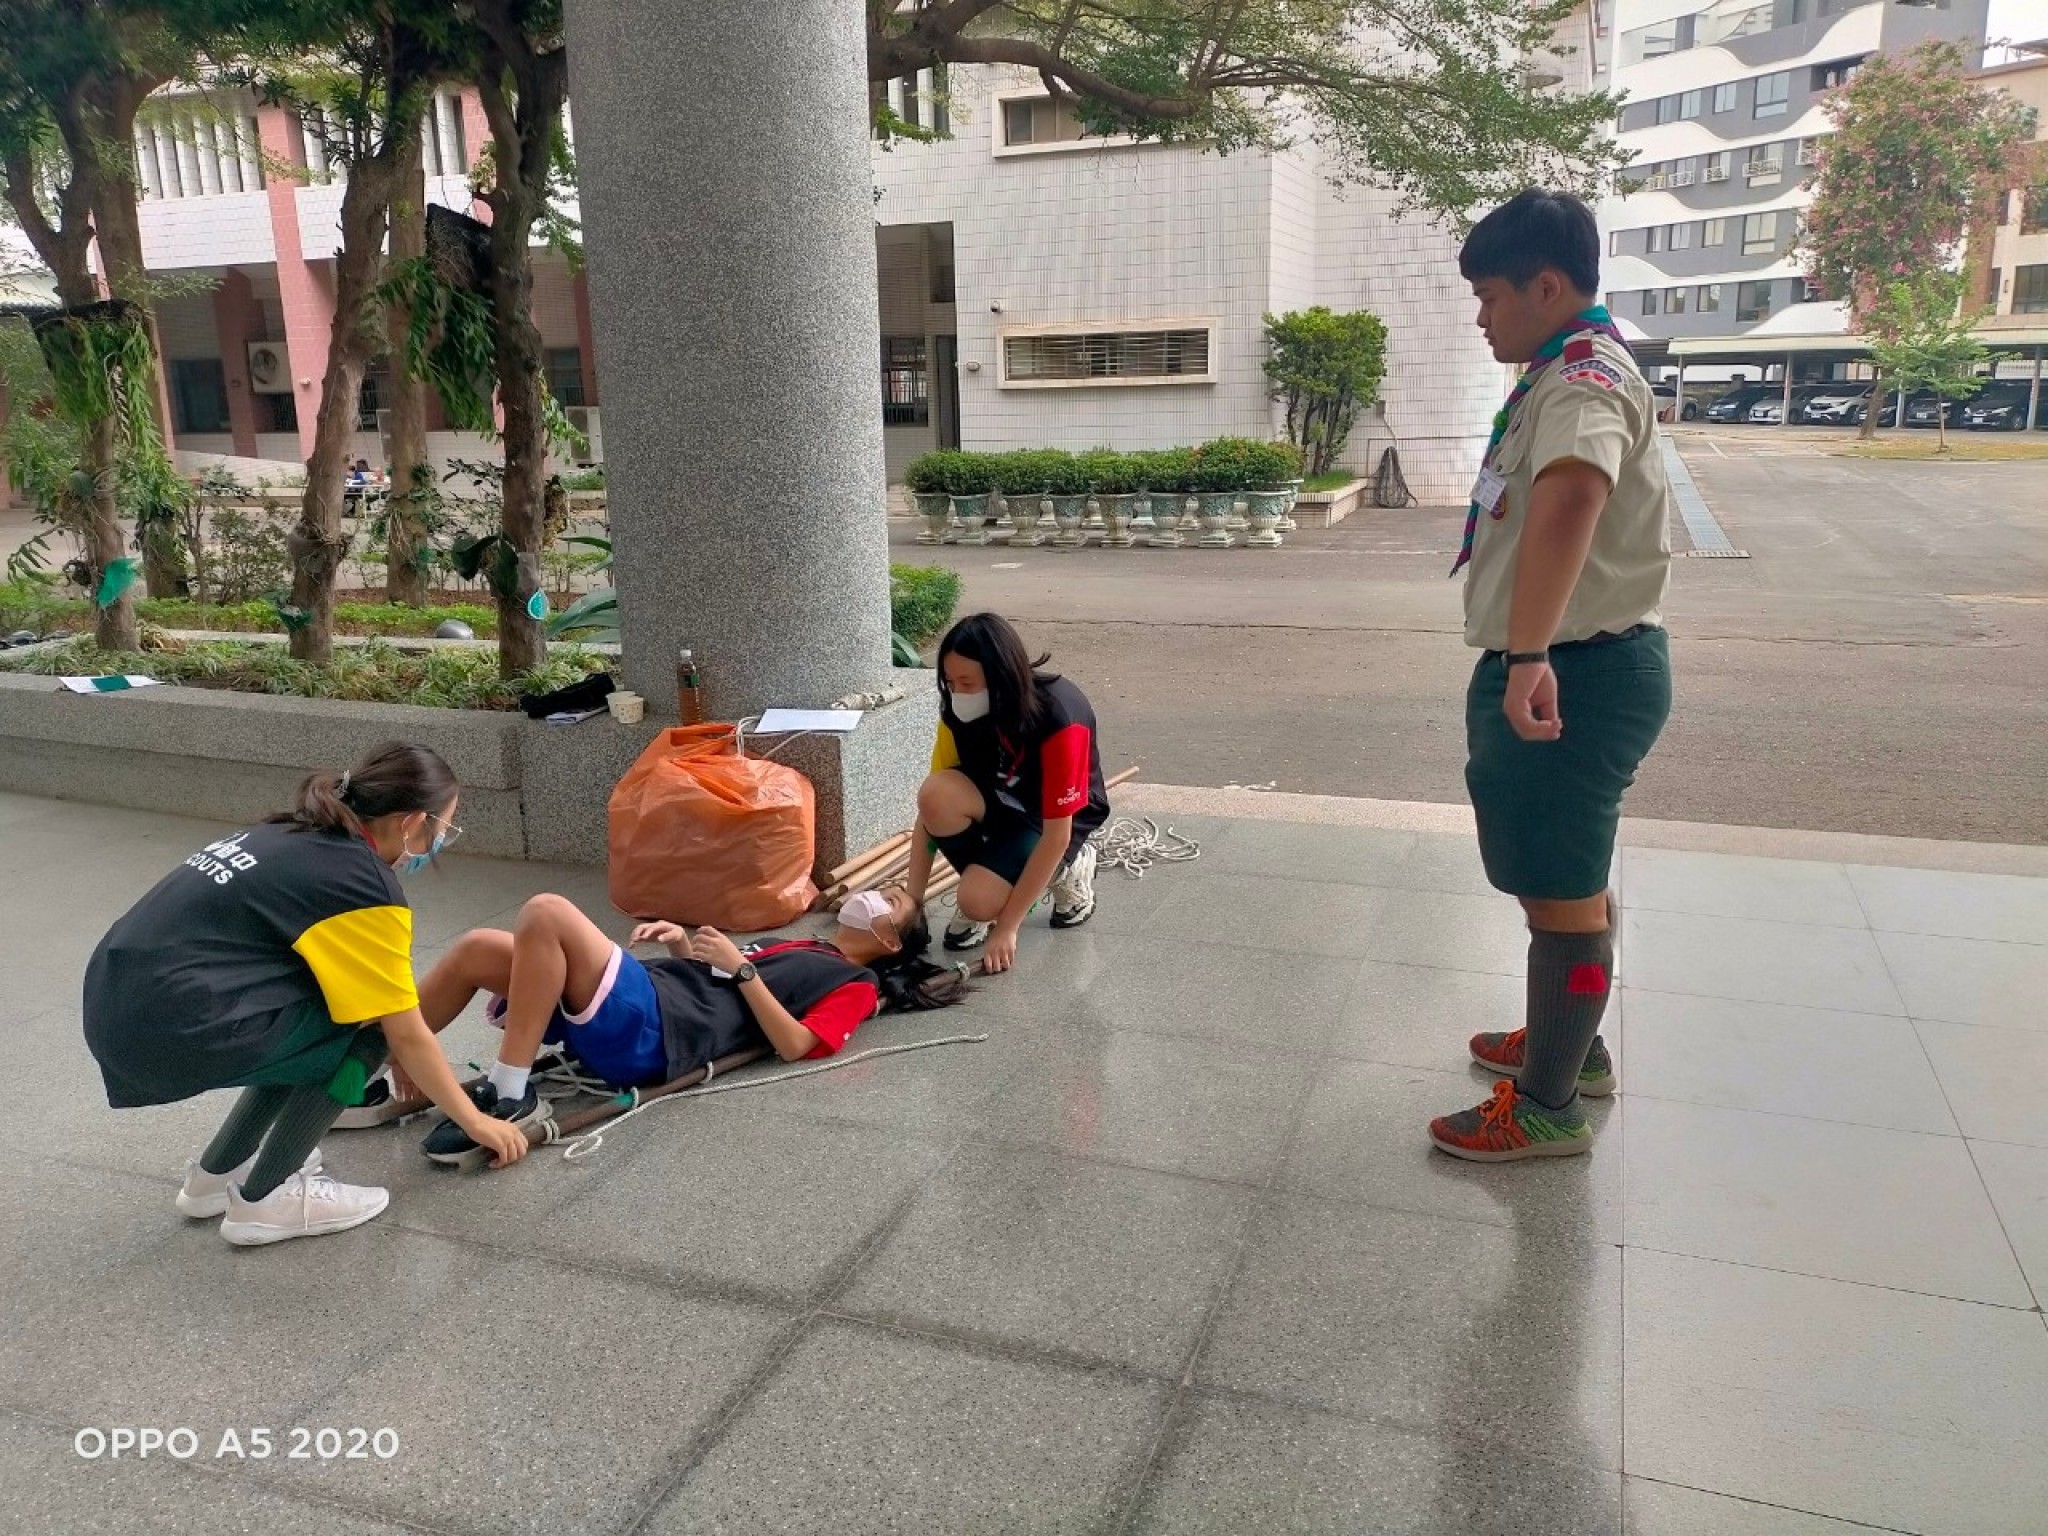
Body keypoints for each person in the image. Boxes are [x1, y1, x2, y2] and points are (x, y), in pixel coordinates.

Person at [1428, 188, 1673, 1162]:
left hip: (1573, 669)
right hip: (1575, 662)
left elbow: (1571, 497)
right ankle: (1573, 1044)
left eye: (1489, 296)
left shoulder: (1580, 377)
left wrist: (1527, 655)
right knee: (1563, 876)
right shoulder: (1562, 371)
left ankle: (1546, 1106)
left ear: (1544, 285)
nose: (1481, 317)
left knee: (1563, 895)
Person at [80, 742, 529, 1248]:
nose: (441, 841)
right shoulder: (363, 883)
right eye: (443, 827)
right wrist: (476, 1121)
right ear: (411, 822)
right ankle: (267, 1199)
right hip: (174, 1026)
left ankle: (214, 1176)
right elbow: (404, 1031)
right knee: (365, 1034)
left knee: (310, 1032)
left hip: (116, 1005)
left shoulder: (292, 832)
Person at [403, 883, 969, 1163]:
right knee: (478, 947)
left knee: (548, 911)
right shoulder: (804, 943)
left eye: (888, 901)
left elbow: (798, 1044)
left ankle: (510, 1092)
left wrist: (743, 969)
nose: (872, 897)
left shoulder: (857, 983)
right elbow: (717, 986)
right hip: (664, 996)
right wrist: (681, 943)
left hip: (659, 1030)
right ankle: (374, 1067)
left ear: (890, 941)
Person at [906, 612, 1109, 974]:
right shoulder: (958, 710)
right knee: (936, 793)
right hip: (1003, 800)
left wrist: (1007, 926)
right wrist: (912, 901)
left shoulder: (1059, 716)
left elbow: (1056, 834)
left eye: (967, 682)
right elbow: (929, 810)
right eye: (950, 682)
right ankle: (995, 881)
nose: (957, 693)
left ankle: (1069, 868)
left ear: (1000, 675)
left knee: (977, 901)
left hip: (1053, 818)